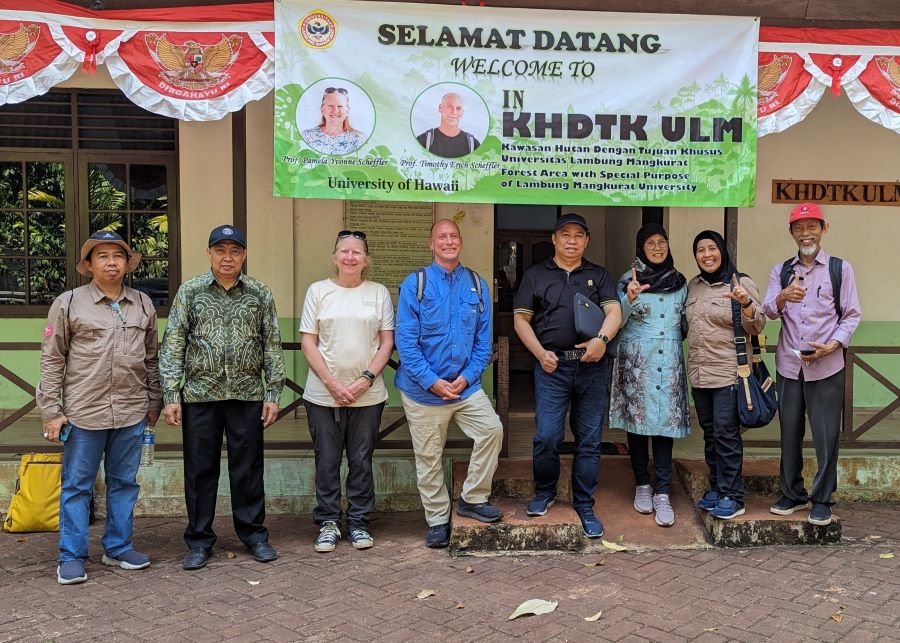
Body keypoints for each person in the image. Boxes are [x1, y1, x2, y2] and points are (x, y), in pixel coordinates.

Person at [36, 231, 161, 585]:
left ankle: (118, 547)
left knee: (124, 483)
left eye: (118, 256)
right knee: (77, 486)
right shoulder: (69, 303)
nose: (111, 262)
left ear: (127, 263)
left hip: (131, 412)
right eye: (102, 256)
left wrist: (154, 400)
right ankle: (72, 556)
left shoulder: (142, 303)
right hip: (83, 413)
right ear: (88, 265)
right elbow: (51, 359)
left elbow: (152, 358)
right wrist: (51, 410)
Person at [160, 225, 285, 570]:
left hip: (247, 394)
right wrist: (171, 394)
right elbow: (173, 343)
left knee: (247, 469)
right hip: (200, 395)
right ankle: (199, 540)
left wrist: (273, 392)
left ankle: (254, 535)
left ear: (244, 254)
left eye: (234, 251)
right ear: (209, 254)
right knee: (200, 471)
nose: (227, 257)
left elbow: (271, 343)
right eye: (220, 250)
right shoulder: (191, 291)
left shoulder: (259, 293)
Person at [395, 219, 503, 548]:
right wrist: (433, 382)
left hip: (465, 388)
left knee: (491, 430)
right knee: (429, 456)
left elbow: (484, 344)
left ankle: (472, 497)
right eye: (442, 236)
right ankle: (438, 519)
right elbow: (406, 343)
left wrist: (467, 378)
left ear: (461, 242)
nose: (448, 241)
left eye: (454, 236)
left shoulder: (477, 284)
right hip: (423, 391)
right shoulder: (416, 284)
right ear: (431, 244)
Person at [513, 213, 622, 538]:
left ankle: (584, 504)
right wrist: (539, 353)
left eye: (578, 235)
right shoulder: (535, 275)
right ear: (554, 240)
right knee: (547, 435)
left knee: (589, 441)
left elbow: (613, 311)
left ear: (586, 241)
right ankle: (544, 493)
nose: (571, 240)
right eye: (565, 235)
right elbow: (521, 320)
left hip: (592, 367)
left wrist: (602, 341)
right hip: (552, 367)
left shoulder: (599, 275)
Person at [762, 203, 860, 526]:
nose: (806, 234)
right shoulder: (781, 271)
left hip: (826, 365)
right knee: (789, 431)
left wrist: (832, 346)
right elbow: (767, 311)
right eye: (799, 228)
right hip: (790, 365)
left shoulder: (839, 269)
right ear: (791, 233)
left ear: (824, 229)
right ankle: (791, 493)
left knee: (825, 434)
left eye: (812, 227)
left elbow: (851, 315)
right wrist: (781, 298)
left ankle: (822, 499)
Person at [300, 230, 395, 553]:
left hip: (367, 395)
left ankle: (358, 522)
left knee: (360, 460)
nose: (350, 257)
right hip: (322, 394)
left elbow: (386, 342)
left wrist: (365, 379)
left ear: (366, 259)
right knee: (326, 460)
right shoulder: (318, 291)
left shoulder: (378, 292)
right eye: (344, 251)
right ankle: (327, 522)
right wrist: (332, 383)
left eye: (357, 252)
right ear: (335, 257)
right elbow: (308, 342)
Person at [609, 223, 690, 527]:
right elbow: (615, 320)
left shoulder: (680, 282)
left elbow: (685, 322)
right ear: (640, 248)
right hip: (637, 360)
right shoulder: (627, 280)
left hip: (668, 359)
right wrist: (629, 299)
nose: (657, 248)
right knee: (639, 425)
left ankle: (663, 491)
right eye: (650, 243)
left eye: (662, 242)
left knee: (664, 427)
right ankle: (643, 484)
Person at [686, 230, 765, 520]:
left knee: (726, 433)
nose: (707, 254)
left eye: (712, 248)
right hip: (699, 372)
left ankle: (734, 495)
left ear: (722, 250)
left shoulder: (740, 282)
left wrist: (745, 303)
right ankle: (717, 488)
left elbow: (757, 326)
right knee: (709, 433)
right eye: (700, 250)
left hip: (730, 373)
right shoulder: (693, 286)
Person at [301, 87, 367, 155]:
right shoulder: (307, 136)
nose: (335, 111)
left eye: (340, 106)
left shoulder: (359, 139)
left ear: (347, 110)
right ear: (322, 109)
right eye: (330, 106)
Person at [416, 92, 481, 159]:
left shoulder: (473, 144)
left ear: (462, 112)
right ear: (440, 108)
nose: (454, 112)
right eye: (449, 107)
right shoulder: (424, 141)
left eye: (458, 108)